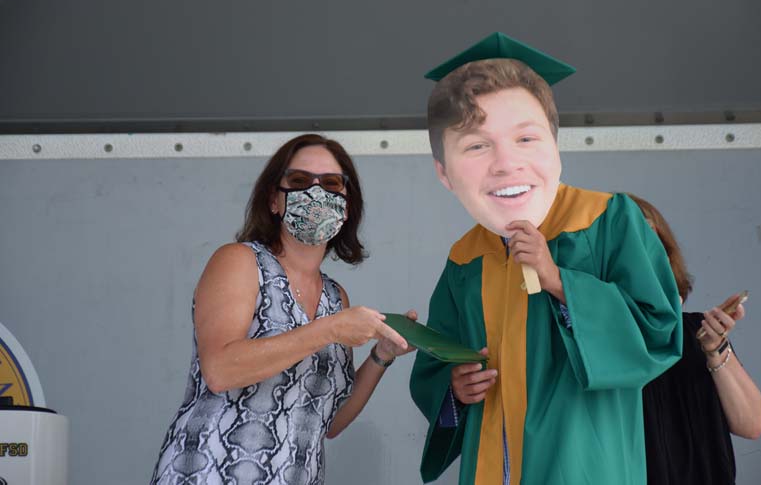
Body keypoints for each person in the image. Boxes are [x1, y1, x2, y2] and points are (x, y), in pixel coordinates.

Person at [409, 32, 683, 485]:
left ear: (555, 145)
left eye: (525, 138)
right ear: (444, 172)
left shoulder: (607, 220)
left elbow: (658, 331)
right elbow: (438, 363)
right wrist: (455, 388)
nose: (505, 163)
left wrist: (558, 280)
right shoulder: (465, 258)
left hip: (583, 466)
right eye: (477, 145)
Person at [151, 133, 415, 485]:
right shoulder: (240, 261)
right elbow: (219, 370)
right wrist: (329, 330)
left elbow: (330, 421)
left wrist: (381, 355)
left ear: (347, 206)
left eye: (331, 183)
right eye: (300, 180)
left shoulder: (335, 298)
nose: (316, 193)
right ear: (274, 200)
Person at [630, 194, 761, 485]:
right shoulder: (590, 343)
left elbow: (751, 424)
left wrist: (715, 350)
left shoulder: (698, 332)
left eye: (652, 246)